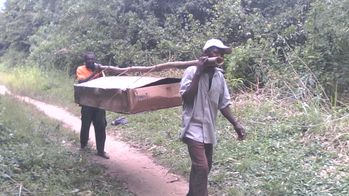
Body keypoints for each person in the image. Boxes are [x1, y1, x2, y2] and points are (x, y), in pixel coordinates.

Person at [179, 38, 246, 196]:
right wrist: (198, 72)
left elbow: (223, 104)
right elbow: (187, 98)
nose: (219, 56)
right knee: (202, 167)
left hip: (208, 128)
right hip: (192, 128)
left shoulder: (219, 77)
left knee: (204, 166)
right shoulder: (190, 72)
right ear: (205, 54)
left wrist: (236, 124)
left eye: (222, 54)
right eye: (216, 52)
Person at [76, 52, 109, 159]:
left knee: (101, 125)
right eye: (88, 59)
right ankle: (83, 146)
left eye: (92, 59)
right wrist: (94, 73)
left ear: (95, 59)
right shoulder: (81, 69)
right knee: (85, 125)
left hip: (99, 102)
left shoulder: (99, 69)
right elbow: (82, 82)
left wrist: (100, 72)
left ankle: (101, 151)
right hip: (87, 102)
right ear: (85, 61)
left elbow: (105, 83)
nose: (90, 61)